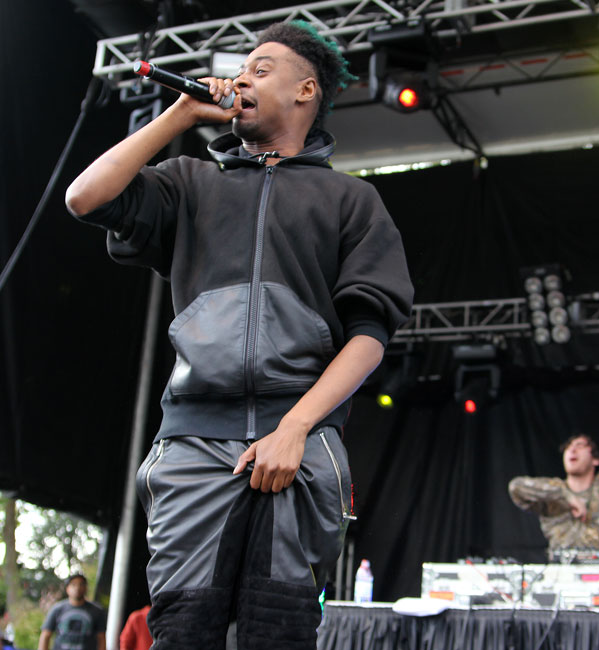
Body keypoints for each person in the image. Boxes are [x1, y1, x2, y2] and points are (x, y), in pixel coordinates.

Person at [65, 20, 413, 650]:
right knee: (182, 630)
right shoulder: (189, 181)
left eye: (261, 68)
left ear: (306, 90)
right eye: (241, 69)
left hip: (300, 442)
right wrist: (176, 117)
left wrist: (296, 427)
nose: (241, 78)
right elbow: (85, 198)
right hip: (195, 443)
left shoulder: (352, 200)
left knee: (276, 630)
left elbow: (367, 338)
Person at [508, 371, 599, 556]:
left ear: (596, 459)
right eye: (568, 448)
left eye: (580, 446)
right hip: (560, 576)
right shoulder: (553, 493)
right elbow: (516, 488)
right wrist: (566, 497)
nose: (572, 450)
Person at [38, 574, 106, 650]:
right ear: (67, 588)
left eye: (81, 584)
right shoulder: (57, 609)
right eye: (73, 584)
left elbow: (101, 638)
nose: (77, 588)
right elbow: (45, 635)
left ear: (86, 588)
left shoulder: (96, 611)